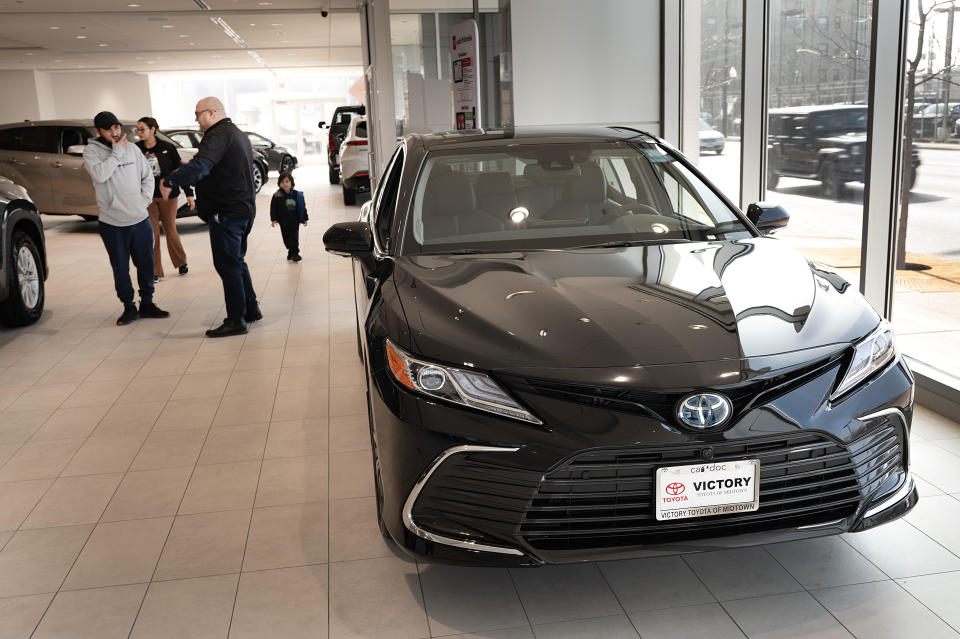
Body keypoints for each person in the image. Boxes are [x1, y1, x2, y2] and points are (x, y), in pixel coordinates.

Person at [159, 97, 261, 338]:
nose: (196, 119)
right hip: (243, 209)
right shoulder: (235, 133)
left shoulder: (217, 135)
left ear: (212, 113)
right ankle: (251, 309)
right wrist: (189, 168)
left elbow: (203, 166)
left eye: (198, 114)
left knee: (228, 265)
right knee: (236, 261)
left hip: (227, 212)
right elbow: (215, 168)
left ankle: (236, 319)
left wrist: (171, 180)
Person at [83, 111, 170, 326]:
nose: (115, 132)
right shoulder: (91, 153)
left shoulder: (132, 149)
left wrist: (143, 202)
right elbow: (101, 175)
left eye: (117, 127)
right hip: (113, 224)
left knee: (146, 264)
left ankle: (147, 303)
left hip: (139, 219)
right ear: (98, 132)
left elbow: (147, 177)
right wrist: (116, 154)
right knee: (121, 268)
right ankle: (129, 307)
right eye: (108, 129)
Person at [135, 116, 193, 282]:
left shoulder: (167, 147)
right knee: (151, 234)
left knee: (170, 229)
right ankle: (155, 271)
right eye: (137, 130)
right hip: (147, 197)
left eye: (142, 129)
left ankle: (181, 262)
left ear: (153, 129)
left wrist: (189, 193)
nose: (139, 133)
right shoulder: (136, 149)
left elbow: (179, 170)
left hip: (169, 195)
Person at [269, 171, 308, 262]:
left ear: (291, 183)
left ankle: (295, 253)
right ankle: (291, 251)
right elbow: (273, 208)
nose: (285, 184)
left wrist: (305, 218)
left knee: (294, 237)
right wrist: (274, 219)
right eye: (282, 182)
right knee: (286, 239)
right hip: (283, 222)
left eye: (287, 181)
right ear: (279, 184)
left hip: (294, 220)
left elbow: (302, 207)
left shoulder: (296, 195)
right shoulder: (277, 196)